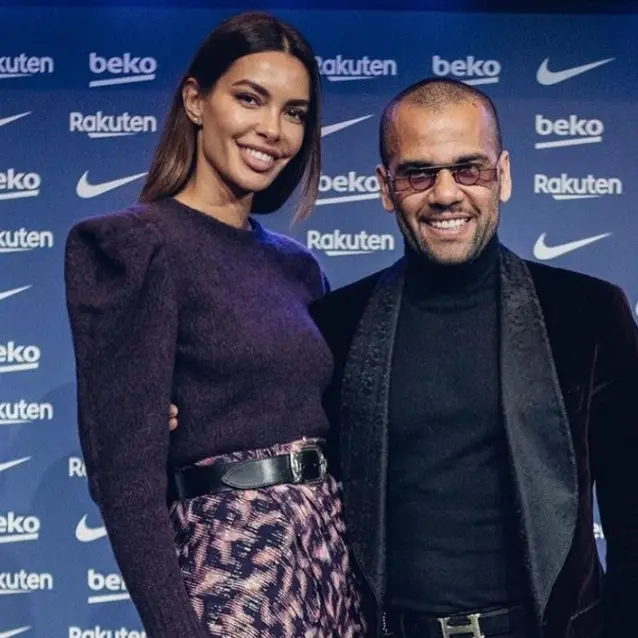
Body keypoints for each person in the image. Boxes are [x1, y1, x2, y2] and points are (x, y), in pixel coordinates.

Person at [64, 12, 366, 638]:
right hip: (233, 564)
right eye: (250, 98)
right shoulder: (135, 245)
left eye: (294, 112)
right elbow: (125, 480)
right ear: (196, 101)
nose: (272, 129)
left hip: (329, 558)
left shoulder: (299, 267)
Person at [308, 78, 638, 638]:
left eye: (469, 169)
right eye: (418, 173)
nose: (445, 193)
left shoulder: (587, 314)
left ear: (502, 175)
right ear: (386, 188)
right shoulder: (335, 326)